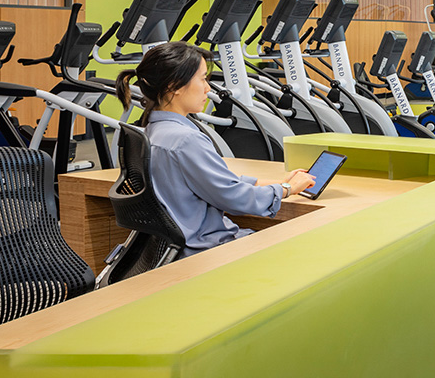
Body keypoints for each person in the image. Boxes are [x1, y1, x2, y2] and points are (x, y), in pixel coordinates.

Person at [115, 41, 315, 254]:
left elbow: (217, 183)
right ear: (174, 86)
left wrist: (279, 181)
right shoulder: (185, 140)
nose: (208, 88)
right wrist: (287, 190)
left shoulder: (153, 132)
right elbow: (233, 198)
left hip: (178, 245)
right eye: (202, 79)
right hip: (208, 249)